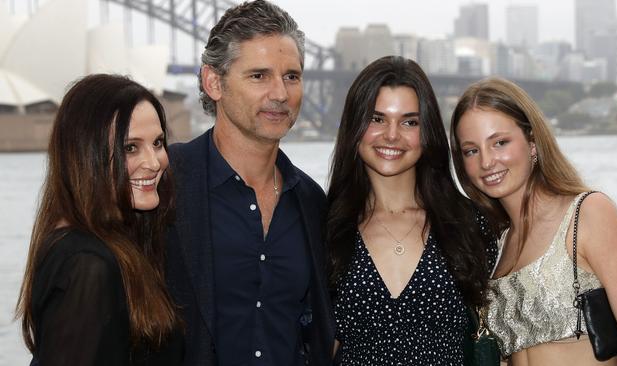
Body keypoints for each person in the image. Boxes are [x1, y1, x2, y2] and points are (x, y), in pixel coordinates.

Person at [164, 1, 334, 365]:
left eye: (292, 76)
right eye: (259, 76)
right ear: (214, 82)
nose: (280, 94)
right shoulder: (166, 183)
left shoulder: (310, 201)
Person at [449, 77, 617, 365]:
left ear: (532, 142)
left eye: (500, 143)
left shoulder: (588, 214)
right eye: (471, 150)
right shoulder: (495, 243)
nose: (486, 162)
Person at [326, 55, 497, 365]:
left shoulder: (471, 224)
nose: (392, 135)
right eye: (377, 119)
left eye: (409, 122)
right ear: (354, 126)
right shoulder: (325, 228)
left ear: (428, 131)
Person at [15, 74, 183, 365]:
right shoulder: (88, 264)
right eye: (131, 147)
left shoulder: (116, 242)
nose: (155, 162)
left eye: (157, 143)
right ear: (86, 154)